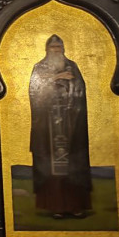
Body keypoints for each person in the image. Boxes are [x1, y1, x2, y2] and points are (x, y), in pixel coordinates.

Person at [29, 34, 92, 219]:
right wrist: (55, 77)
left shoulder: (72, 66)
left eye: (59, 47)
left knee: (73, 165)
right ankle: (55, 206)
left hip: (71, 125)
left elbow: (80, 89)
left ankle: (75, 206)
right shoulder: (39, 68)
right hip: (48, 128)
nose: (57, 51)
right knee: (51, 167)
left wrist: (70, 85)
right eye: (53, 47)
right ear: (47, 49)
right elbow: (35, 92)